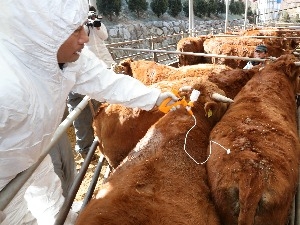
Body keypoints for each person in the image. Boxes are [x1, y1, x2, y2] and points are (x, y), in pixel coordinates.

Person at [0, 0, 178, 224]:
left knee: (53, 204)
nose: (85, 37)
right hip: (3, 177)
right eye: (74, 30)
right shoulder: (6, 85)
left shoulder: (67, 59)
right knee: (20, 218)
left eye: (83, 26)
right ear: (45, 33)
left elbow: (106, 82)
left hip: (35, 154)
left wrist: (154, 98)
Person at [67, 6, 117, 160]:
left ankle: (106, 140)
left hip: (104, 65)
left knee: (105, 107)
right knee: (82, 113)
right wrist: (85, 26)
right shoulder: (75, 29)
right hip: (85, 71)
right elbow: (83, 40)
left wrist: (96, 24)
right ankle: (85, 149)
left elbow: (104, 36)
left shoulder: (96, 25)